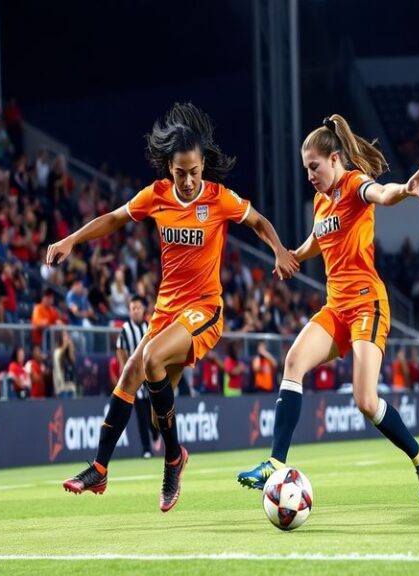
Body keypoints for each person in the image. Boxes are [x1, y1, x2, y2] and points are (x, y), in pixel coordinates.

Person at [47, 102, 297, 511]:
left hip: (204, 309)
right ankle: (100, 469)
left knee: (149, 359)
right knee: (135, 380)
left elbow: (258, 221)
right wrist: (71, 240)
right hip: (166, 311)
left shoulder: (219, 199)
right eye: (180, 173)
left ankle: (172, 459)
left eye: (194, 172)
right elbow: (114, 218)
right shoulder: (157, 195)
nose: (188, 180)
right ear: (170, 168)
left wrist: (279, 250)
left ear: (203, 166)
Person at [237, 115, 419, 508]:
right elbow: (319, 237)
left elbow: (382, 193)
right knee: (293, 362)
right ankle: (275, 463)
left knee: (366, 401)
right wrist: (293, 255)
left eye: (314, 167)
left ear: (334, 159)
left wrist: (404, 189)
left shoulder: (354, 184)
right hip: (336, 306)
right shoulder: (321, 201)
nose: (309, 176)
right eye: (306, 169)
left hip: (367, 303)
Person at [116, 295, 158, 458]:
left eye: (138, 308)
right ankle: (146, 448)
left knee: (153, 410)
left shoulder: (149, 326)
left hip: (150, 375)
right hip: (135, 377)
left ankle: (155, 434)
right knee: (141, 415)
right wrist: (126, 372)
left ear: (143, 309)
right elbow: (120, 350)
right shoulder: (125, 329)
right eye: (132, 308)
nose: (135, 311)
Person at [53, 331, 77, 399]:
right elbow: (58, 360)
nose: (67, 337)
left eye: (67, 335)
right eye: (64, 335)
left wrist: (71, 349)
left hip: (71, 387)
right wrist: (64, 346)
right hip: (62, 388)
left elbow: (73, 362)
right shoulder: (57, 351)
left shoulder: (69, 352)